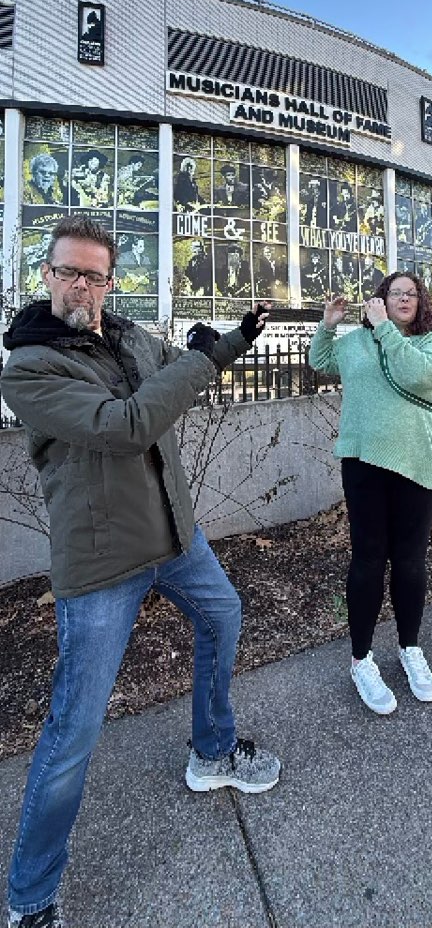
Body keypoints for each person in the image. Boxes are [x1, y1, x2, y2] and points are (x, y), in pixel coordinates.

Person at [1, 216, 280, 928]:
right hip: (103, 561)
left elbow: (179, 362)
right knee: (74, 730)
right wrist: (202, 362)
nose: (80, 286)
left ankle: (212, 752)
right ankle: (30, 899)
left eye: (93, 275)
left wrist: (234, 338)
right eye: (68, 271)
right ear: (47, 275)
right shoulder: (29, 367)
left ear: (109, 282)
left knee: (223, 614)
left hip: (174, 535)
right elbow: (124, 425)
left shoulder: (125, 335)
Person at [308, 271, 432, 717]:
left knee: (410, 561)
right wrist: (328, 325)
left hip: (417, 462)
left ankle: (410, 648)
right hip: (364, 462)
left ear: (420, 302)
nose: (405, 299)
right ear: (381, 299)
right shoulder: (356, 342)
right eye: (396, 293)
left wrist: (385, 330)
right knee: (368, 559)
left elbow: (420, 375)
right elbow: (321, 361)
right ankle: (361, 660)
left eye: (412, 294)